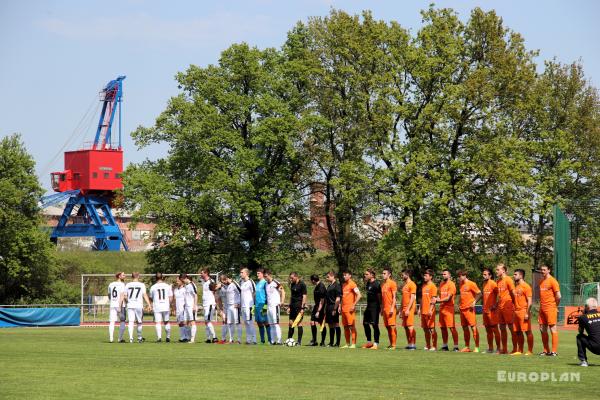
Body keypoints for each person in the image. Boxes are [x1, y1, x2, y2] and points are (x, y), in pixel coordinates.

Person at [538, 265, 561, 356]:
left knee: (552, 328)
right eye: (541, 270)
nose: (542, 271)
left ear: (549, 270)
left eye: (544, 270)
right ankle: (546, 350)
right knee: (542, 329)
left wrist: (555, 306)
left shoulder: (553, 281)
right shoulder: (541, 281)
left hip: (550, 308)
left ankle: (554, 351)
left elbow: (559, 296)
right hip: (542, 308)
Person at [457, 270, 482, 353]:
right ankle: (467, 346)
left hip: (469, 309)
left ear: (464, 275)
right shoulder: (460, 284)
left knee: (473, 327)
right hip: (462, 309)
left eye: (460, 276)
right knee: (464, 328)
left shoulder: (471, 284)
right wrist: (459, 302)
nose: (459, 278)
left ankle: (477, 347)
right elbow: (462, 295)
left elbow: (479, 293)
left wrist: (474, 302)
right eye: (458, 276)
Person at [124, 272, 152, 343]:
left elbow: (125, 296)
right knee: (139, 322)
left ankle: (131, 338)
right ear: (138, 276)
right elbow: (144, 295)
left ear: (131, 277)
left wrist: (128, 302)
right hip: (138, 305)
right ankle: (139, 337)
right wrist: (149, 304)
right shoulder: (141, 285)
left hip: (130, 305)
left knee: (131, 322)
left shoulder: (128, 285)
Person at [512, 269, 533, 355]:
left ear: (521, 276)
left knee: (527, 331)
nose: (514, 276)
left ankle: (530, 351)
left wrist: (527, 313)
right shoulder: (516, 287)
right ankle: (520, 350)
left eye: (515, 274)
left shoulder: (526, 286)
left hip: (523, 311)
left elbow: (530, 302)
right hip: (516, 312)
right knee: (518, 331)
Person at [496, 264, 516, 354]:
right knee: (502, 328)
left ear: (503, 270)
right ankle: (504, 349)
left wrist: (515, 304)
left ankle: (515, 348)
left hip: (508, 307)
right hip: (500, 307)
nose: (496, 271)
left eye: (498, 269)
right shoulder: (498, 281)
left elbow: (513, 293)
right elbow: (500, 295)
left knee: (512, 328)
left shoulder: (508, 280)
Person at [149, 272, 173, 343]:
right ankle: (168, 337)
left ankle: (159, 337)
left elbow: (151, 298)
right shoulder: (167, 286)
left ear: (155, 278)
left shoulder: (153, 287)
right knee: (166, 322)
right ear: (162, 277)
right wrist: (169, 304)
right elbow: (171, 297)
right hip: (165, 306)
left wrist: (151, 303)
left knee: (158, 323)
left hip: (157, 306)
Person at [438, 269, 459, 351]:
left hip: (449, 309)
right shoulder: (441, 284)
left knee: (452, 327)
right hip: (441, 308)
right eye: (443, 274)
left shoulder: (451, 284)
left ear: (449, 275)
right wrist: (436, 298)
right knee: (442, 328)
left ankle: (456, 346)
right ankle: (445, 345)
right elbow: (440, 296)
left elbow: (448, 298)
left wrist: (438, 300)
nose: (443, 275)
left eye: (445, 274)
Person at [481, 268, 501, 353]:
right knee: (488, 330)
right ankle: (490, 348)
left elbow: (499, 295)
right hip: (485, 311)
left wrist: (495, 305)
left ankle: (498, 348)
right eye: (483, 274)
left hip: (492, 311)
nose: (484, 276)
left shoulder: (493, 284)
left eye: (485, 274)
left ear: (490, 275)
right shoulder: (484, 284)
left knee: (495, 329)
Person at [577, 298, 600, 367]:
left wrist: (584, 315)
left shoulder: (583, 317)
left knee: (579, 337)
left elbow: (581, 331)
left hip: (595, 347)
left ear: (587, 307)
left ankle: (583, 361)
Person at [340, 270, 361, 349]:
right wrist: (340, 306)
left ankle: (353, 344)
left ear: (350, 276)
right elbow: (343, 297)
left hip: (350, 309)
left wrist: (353, 304)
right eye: (343, 275)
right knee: (345, 327)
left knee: (351, 326)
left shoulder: (352, 284)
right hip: (343, 309)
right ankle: (347, 343)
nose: (344, 276)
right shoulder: (344, 285)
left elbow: (359, 295)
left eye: (345, 275)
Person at [362, 268, 382, 350]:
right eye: (365, 274)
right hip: (368, 306)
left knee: (374, 324)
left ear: (372, 275)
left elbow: (380, 296)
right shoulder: (368, 284)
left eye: (367, 274)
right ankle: (369, 342)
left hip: (375, 306)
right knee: (365, 323)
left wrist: (380, 306)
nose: (365, 275)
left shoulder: (377, 284)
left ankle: (376, 343)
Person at [265, 269, 285, 345]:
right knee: (271, 324)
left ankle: (279, 341)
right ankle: (272, 341)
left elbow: (283, 291)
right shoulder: (266, 284)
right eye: (264, 276)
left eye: (266, 276)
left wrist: (282, 302)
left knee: (276, 323)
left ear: (270, 275)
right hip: (269, 307)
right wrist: (265, 308)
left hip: (275, 306)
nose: (265, 278)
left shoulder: (275, 283)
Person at [287, 272, 307, 346]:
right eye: (290, 278)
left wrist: (302, 308)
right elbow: (292, 296)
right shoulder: (292, 284)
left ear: (296, 277)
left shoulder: (302, 284)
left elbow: (304, 296)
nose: (291, 279)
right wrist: (289, 306)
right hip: (292, 306)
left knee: (299, 323)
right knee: (290, 323)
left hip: (299, 306)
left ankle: (299, 342)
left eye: (292, 278)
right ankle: (288, 340)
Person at [381, 267, 398, 350]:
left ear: (389, 274)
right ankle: (391, 344)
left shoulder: (392, 283)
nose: (383, 275)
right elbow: (383, 298)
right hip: (385, 309)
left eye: (384, 273)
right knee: (387, 327)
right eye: (382, 273)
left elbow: (394, 297)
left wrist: (392, 308)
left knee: (392, 326)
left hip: (391, 309)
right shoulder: (383, 284)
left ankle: (394, 345)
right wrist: (382, 308)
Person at [420, 269, 437, 351]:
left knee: (431, 329)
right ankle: (428, 345)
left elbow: (434, 299)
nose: (424, 277)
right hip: (423, 311)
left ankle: (434, 346)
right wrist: (419, 308)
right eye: (424, 275)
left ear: (431, 277)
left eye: (426, 275)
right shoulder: (423, 286)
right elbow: (422, 299)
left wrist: (430, 309)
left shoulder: (433, 286)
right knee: (425, 329)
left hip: (429, 311)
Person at [200, 268, 218, 343]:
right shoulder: (204, 282)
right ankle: (208, 338)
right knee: (206, 321)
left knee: (208, 320)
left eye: (202, 273)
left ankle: (214, 337)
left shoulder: (211, 281)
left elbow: (215, 292)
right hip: (205, 304)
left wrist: (215, 302)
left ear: (206, 273)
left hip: (210, 303)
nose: (201, 274)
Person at [324, 271, 342, 347]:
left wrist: (335, 308)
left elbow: (338, 298)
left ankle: (337, 343)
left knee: (336, 324)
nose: (327, 278)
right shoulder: (329, 286)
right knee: (330, 325)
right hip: (328, 307)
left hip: (333, 306)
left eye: (328, 276)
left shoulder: (337, 285)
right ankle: (331, 342)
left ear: (333, 276)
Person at [240, 267, 257, 344]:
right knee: (246, 323)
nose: (240, 274)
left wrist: (253, 304)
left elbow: (255, 293)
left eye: (242, 272)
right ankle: (248, 339)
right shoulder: (241, 282)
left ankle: (254, 340)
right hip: (243, 306)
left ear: (246, 273)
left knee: (250, 322)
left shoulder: (251, 282)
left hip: (249, 306)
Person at [309, 274, 327, 346]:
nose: (311, 282)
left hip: (321, 307)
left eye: (311, 281)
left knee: (321, 324)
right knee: (312, 322)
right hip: (316, 306)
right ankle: (314, 340)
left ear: (313, 280)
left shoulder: (321, 287)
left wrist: (319, 311)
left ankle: (322, 342)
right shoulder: (317, 286)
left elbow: (322, 300)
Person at [223, 274, 242, 344]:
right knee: (229, 323)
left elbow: (241, 292)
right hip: (229, 306)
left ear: (229, 278)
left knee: (237, 323)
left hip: (235, 306)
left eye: (226, 279)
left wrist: (239, 303)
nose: (225, 281)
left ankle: (239, 340)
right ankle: (231, 339)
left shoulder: (234, 284)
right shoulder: (228, 286)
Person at [108, 272, 126, 343]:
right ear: (119, 276)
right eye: (123, 275)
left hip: (112, 304)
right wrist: (119, 306)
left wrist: (112, 301)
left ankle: (111, 338)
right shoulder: (122, 284)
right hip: (120, 305)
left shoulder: (111, 284)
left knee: (112, 322)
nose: (125, 276)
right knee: (122, 321)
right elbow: (122, 295)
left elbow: (109, 295)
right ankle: (120, 338)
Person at [401, 269, 417, 350]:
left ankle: (413, 344)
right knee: (405, 327)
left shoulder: (412, 284)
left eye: (403, 274)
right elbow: (403, 299)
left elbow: (412, 298)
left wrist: (407, 309)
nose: (402, 276)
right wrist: (401, 310)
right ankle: (409, 343)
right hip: (404, 309)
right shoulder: (404, 285)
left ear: (407, 275)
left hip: (409, 309)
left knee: (410, 326)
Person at [255, 268, 271, 344]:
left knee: (265, 321)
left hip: (263, 304)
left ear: (262, 274)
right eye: (257, 273)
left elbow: (267, 294)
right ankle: (262, 340)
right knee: (259, 322)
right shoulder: (257, 283)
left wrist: (265, 305)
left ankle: (270, 340)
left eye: (259, 273)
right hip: (257, 305)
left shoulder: (265, 282)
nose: (257, 275)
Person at [182, 274, 198, 343]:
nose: (182, 281)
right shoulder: (186, 286)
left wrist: (195, 305)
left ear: (185, 278)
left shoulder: (192, 285)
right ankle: (188, 337)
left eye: (182, 279)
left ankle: (192, 339)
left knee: (192, 322)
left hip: (191, 306)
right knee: (185, 322)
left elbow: (195, 295)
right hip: (186, 306)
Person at [216, 276, 231, 344]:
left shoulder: (230, 286)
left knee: (230, 322)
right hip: (225, 307)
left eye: (224, 280)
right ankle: (223, 339)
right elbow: (218, 299)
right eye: (221, 280)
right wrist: (220, 309)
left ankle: (231, 339)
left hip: (231, 306)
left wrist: (222, 285)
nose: (223, 281)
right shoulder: (220, 289)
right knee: (224, 322)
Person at [173, 275, 187, 342]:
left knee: (183, 323)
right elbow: (175, 300)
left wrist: (185, 308)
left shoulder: (185, 289)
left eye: (178, 281)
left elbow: (186, 300)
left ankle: (185, 337)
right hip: (178, 309)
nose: (177, 282)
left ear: (182, 281)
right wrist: (174, 309)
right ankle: (183, 337)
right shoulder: (175, 290)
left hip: (183, 309)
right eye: (176, 281)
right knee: (180, 323)